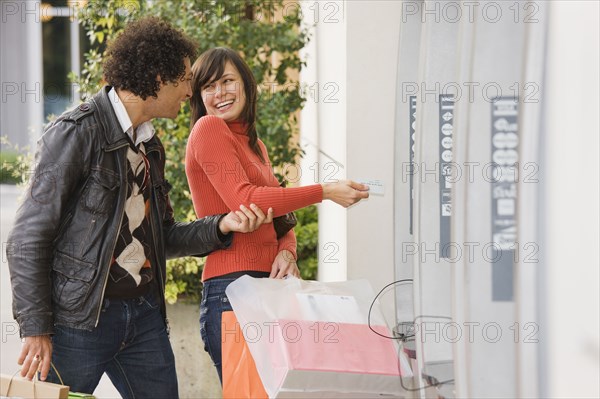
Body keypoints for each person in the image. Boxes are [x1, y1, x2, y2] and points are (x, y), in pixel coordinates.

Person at [6, 18, 273, 398]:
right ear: (158, 77)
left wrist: (221, 226)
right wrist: (36, 326)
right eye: (184, 80)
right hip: (79, 323)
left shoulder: (150, 146)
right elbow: (27, 237)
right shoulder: (77, 132)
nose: (189, 91)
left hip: (143, 316)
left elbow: (162, 236)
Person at [185, 47, 370, 382]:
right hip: (232, 288)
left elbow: (279, 218)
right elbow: (246, 199)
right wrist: (324, 192)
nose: (219, 93)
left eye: (227, 81)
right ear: (199, 96)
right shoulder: (208, 128)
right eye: (208, 87)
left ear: (246, 84)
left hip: (270, 287)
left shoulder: (256, 146)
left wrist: (288, 249)